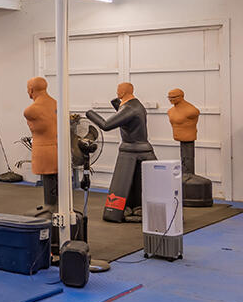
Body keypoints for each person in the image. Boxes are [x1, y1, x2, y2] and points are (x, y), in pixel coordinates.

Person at [88, 82, 156, 223]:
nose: (117, 92)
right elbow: (126, 120)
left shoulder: (130, 108)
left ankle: (121, 210)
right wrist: (117, 105)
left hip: (131, 150)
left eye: (118, 90)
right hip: (140, 149)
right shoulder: (136, 105)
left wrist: (89, 113)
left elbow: (106, 125)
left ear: (122, 92)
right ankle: (136, 206)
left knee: (125, 183)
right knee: (140, 182)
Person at [167, 87, 212, 206]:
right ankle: (185, 175)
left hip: (188, 137)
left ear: (182, 96)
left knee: (187, 159)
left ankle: (189, 175)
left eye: (174, 97)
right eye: (169, 97)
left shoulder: (191, 111)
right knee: (183, 161)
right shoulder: (170, 111)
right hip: (180, 137)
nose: (171, 99)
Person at [24, 77, 58, 207]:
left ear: (31, 90)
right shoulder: (56, 104)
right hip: (58, 149)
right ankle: (52, 206)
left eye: (28, 89)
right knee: (54, 180)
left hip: (44, 151)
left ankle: (50, 207)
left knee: (50, 180)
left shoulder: (30, 110)